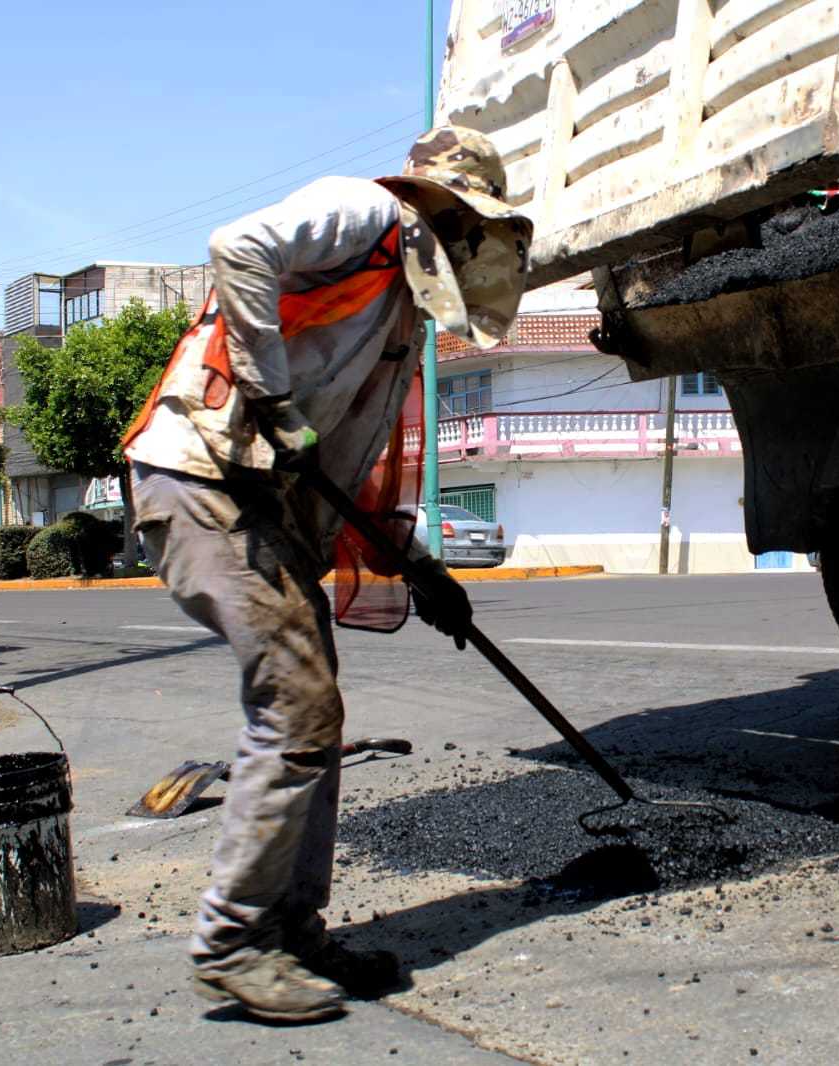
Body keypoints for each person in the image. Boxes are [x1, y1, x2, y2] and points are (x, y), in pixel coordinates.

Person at [121, 126, 531, 1024]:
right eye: (466, 229)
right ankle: (234, 944)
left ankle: (292, 930)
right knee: (297, 712)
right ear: (442, 208)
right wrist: (269, 396)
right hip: (203, 479)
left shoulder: (394, 326)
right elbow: (237, 247)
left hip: (263, 506)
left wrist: (424, 572)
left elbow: (346, 486)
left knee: (316, 711)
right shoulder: (366, 211)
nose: (467, 251)